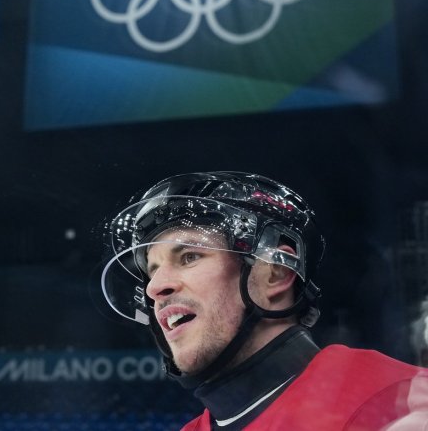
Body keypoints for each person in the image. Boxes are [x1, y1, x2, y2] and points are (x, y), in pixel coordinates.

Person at [100, 171, 428, 430]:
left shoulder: (395, 401)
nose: (155, 287)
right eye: (152, 270)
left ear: (276, 273)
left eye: (189, 256)